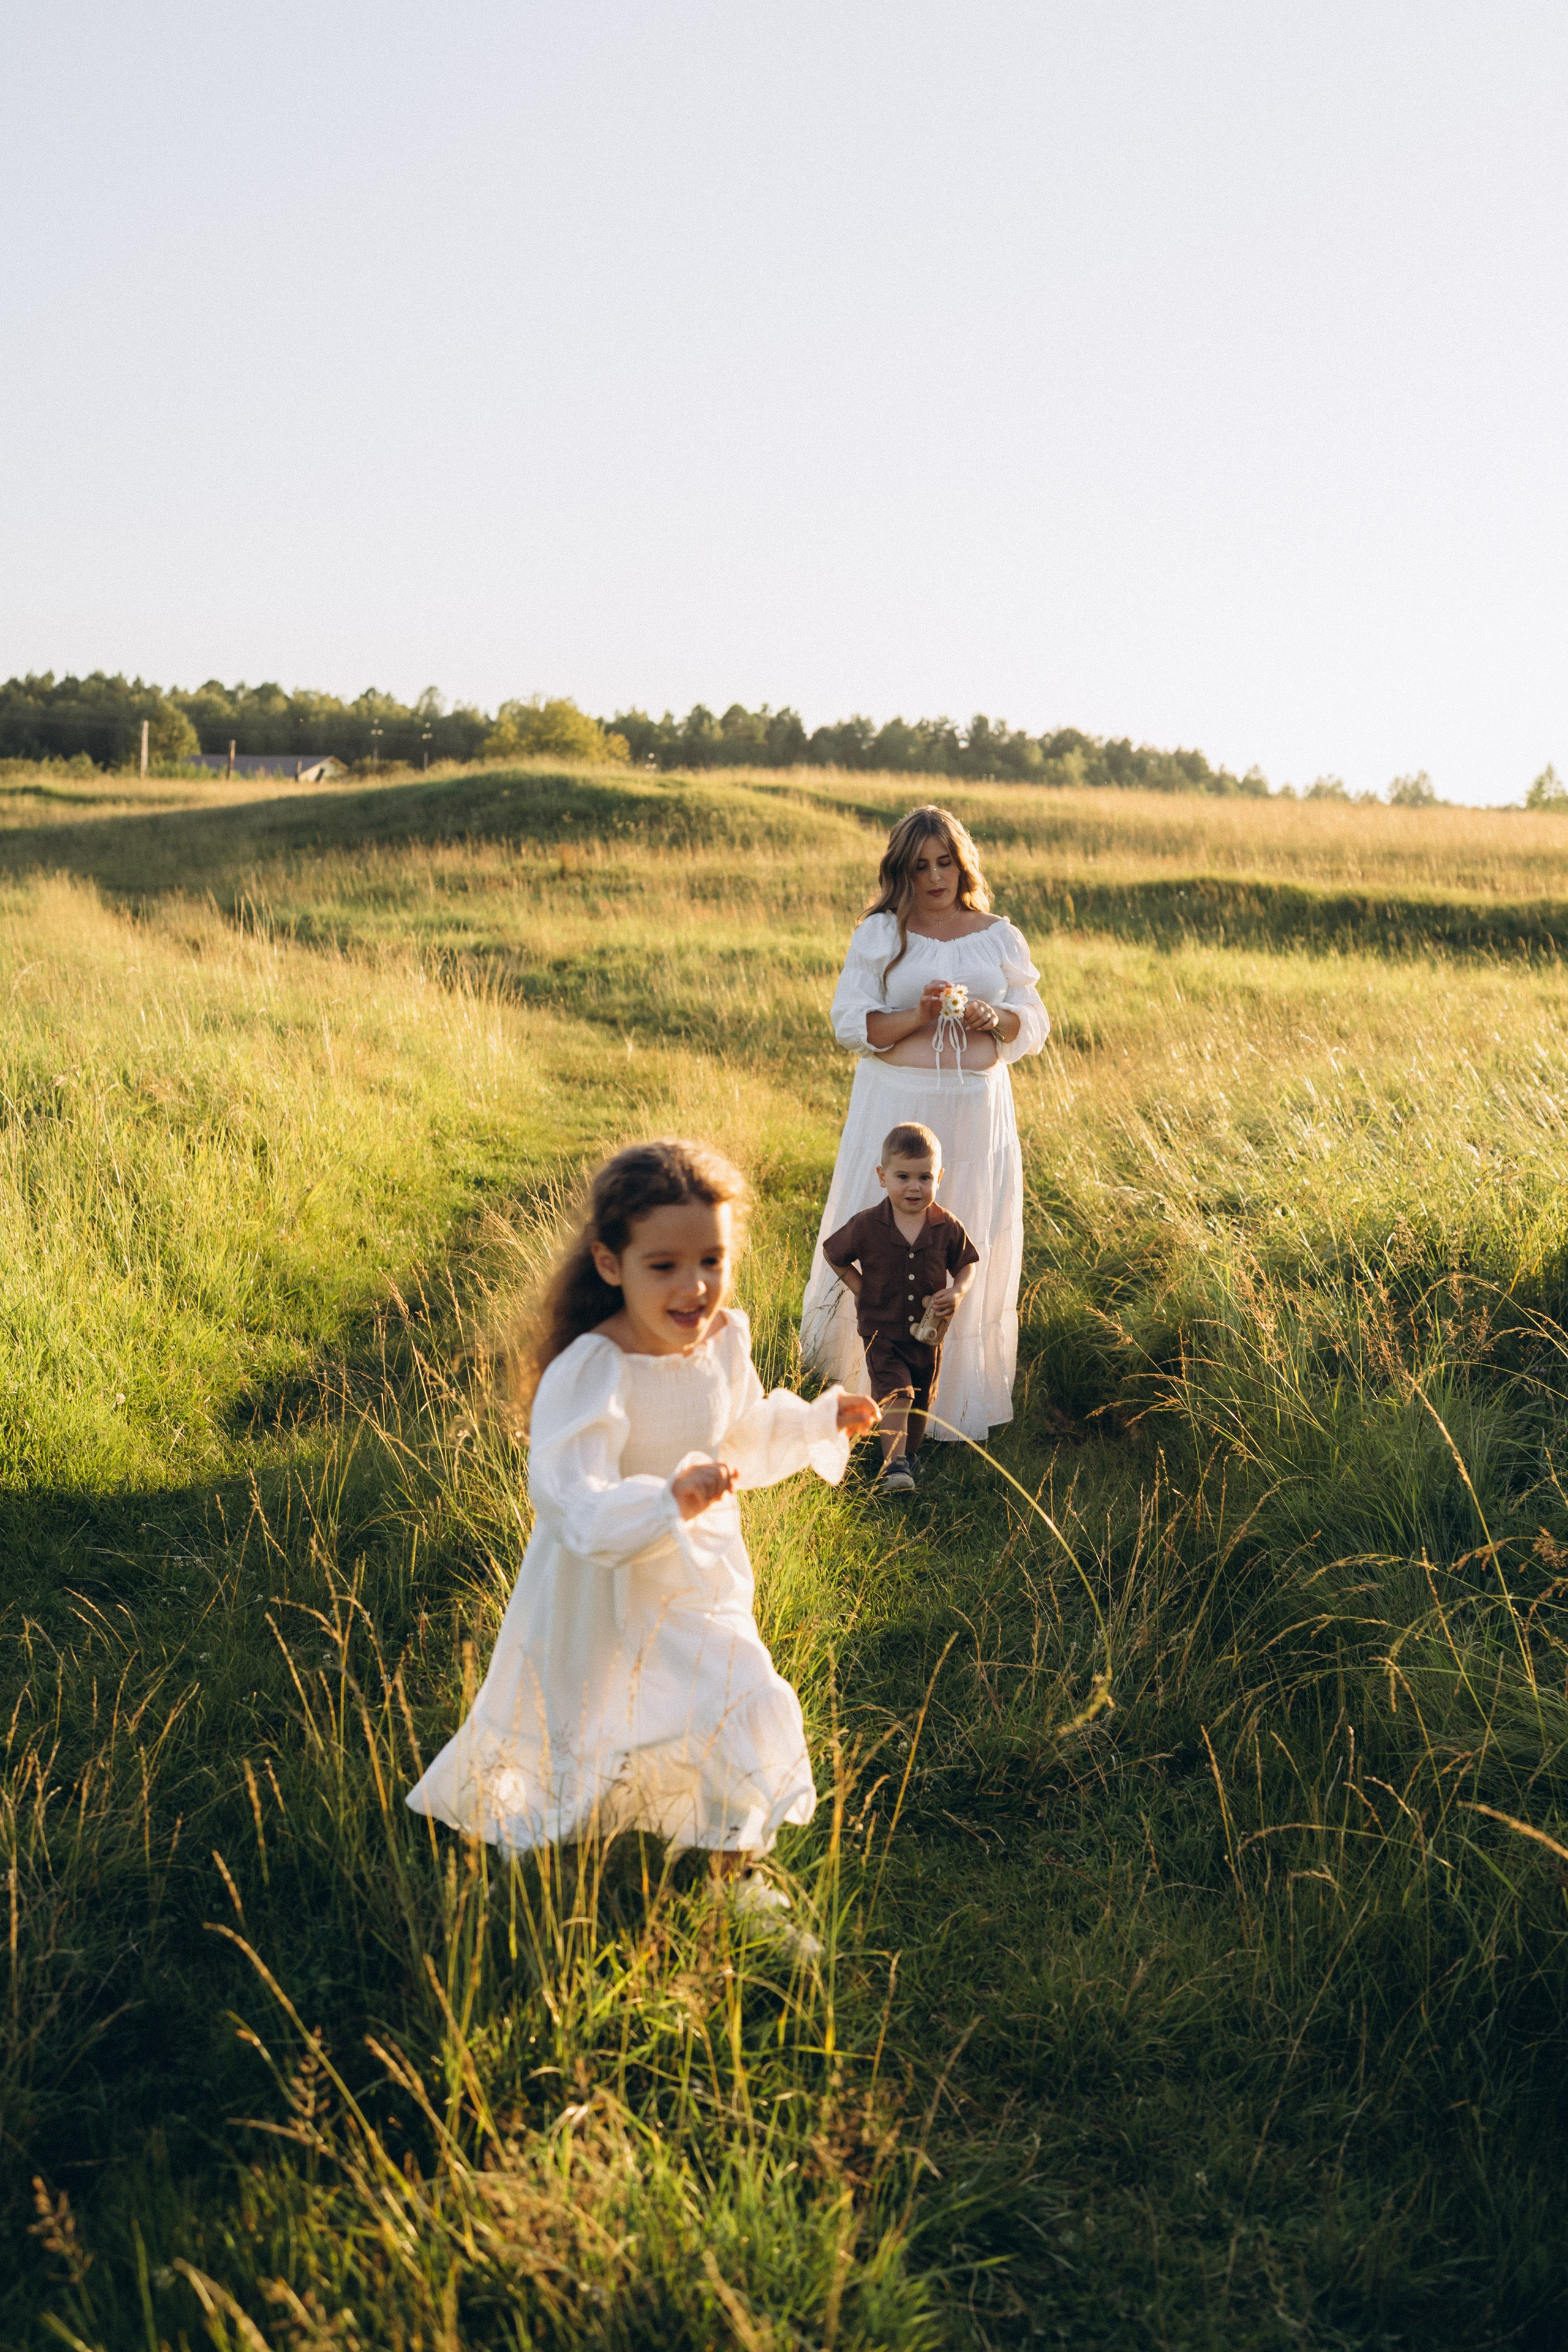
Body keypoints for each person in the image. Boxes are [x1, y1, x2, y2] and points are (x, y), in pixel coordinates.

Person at [406, 1138, 879, 1940]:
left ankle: (737, 1871)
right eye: (664, 1265)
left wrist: (816, 1421)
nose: (694, 1286)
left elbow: (744, 1436)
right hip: (602, 1580)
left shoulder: (725, 1343)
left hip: (698, 1578)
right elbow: (570, 1495)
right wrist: (663, 1500)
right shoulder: (595, 1369)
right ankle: (536, 1865)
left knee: (740, 1697)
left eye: (711, 1259)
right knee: (588, 1724)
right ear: (610, 1262)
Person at [800, 805, 1050, 1438]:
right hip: (897, 1101)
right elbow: (852, 1026)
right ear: (901, 871)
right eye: (920, 866)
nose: (935, 877)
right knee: (886, 1232)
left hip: (976, 1108)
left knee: (959, 1235)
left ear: (961, 862)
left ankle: (952, 1402)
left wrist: (994, 1018)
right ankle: (870, 1398)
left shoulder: (999, 934)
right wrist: (919, 1013)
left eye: (944, 862)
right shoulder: (883, 933)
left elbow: (1035, 1022)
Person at [821, 1121, 978, 1493]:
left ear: (939, 1177)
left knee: (921, 1397)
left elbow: (967, 1263)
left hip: (927, 1336)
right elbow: (835, 1254)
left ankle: (910, 1454)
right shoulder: (867, 1226)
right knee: (897, 1393)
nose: (914, 1186)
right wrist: (860, 1289)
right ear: (882, 1177)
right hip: (881, 1330)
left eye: (925, 1177)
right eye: (903, 1176)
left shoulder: (945, 1226)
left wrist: (958, 1291)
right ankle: (894, 1468)